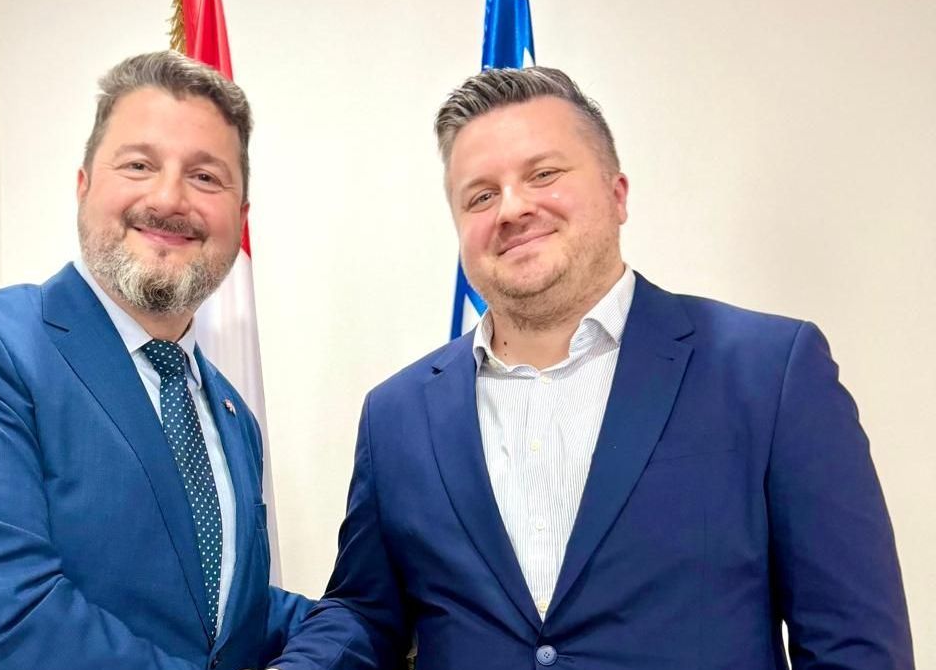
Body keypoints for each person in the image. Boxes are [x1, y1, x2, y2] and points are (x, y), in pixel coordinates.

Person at [270, 67, 913, 669]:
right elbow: (366, 613)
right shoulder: (396, 416)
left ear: (617, 193)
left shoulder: (769, 372)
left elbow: (854, 645)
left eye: (544, 174)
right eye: (481, 196)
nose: (512, 209)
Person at [0, 50, 310, 670]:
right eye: (139, 165)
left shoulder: (233, 416)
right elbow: (3, 635)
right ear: (83, 187)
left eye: (205, 177)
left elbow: (229, 616)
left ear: (239, 219)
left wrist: (369, 621)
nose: (169, 198)